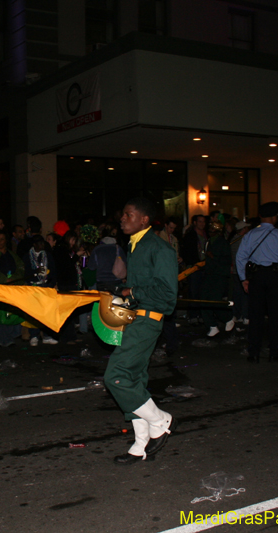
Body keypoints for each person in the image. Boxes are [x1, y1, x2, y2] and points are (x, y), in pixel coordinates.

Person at [104, 198, 178, 465]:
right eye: (123, 214)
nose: (122, 218)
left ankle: (160, 420)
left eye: (128, 214)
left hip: (148, 320)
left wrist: (131, 291)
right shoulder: (135, 246)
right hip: (134, 318)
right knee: (134, 379)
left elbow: (168, 295)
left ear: (144, 219)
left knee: (116, 376)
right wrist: (123, 292)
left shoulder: (159, 249)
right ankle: (139, 444)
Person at [235, 202, 278, 363]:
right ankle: (274, 351)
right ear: (274, 217)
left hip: (256, 276)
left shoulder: (250, 235)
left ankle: (254, 352)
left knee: (255, 315)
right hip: (275, 276)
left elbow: (240, 257)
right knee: (275, 315)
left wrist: (244, 279)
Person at [0, 231, 25, 348]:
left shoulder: (12, 255)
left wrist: (13, 279)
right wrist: (3, 280)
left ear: (6, 241)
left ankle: (8, 338)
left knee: (8, 314)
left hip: (10, 289)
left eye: (2, 239)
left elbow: (21, 269)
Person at [23, 235, 58, 346]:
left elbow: (53, 271)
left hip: (45, 286)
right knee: (34, 313)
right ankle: (34, 335)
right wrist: (35, 271)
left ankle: (47, 335)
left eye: (43, 243)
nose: (42, 245)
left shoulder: (47, 255)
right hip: (33, 286)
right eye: (40, 243)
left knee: (46, 312)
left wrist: (51, 284)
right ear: (34, 244)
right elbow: (25, 273)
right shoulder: (27, 256)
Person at [202, 221, 234, 337]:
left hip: (219, 275)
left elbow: (227, 261)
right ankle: (211, 325)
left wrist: (213, 257)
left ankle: (227, 318)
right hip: (209, 274)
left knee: (215, 300)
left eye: (212, 230)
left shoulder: (222, 243)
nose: (210, 232)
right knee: (203, 300)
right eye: (209, 230)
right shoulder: (209, 242)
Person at [229, 220, 251, 329]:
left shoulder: (232, 240)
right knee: (245, 294)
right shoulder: (242, 241)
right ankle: (245, 316)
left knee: (237, 294)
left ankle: (236, 315)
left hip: (235, 271)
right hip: (242, 271)